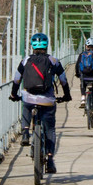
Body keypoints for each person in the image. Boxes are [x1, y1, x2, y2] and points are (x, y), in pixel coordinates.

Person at [10, 33, 70, 174]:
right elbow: (63, 80)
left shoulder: (26, 60)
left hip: (29, 98)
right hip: (47, 101)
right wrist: (67, 95)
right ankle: (49, 160)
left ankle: (25, 132)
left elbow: (17, 79)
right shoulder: (53, 60)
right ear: (47, 45)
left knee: (26, 104)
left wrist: (13, 94)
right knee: (50, 129)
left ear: (32, 45)